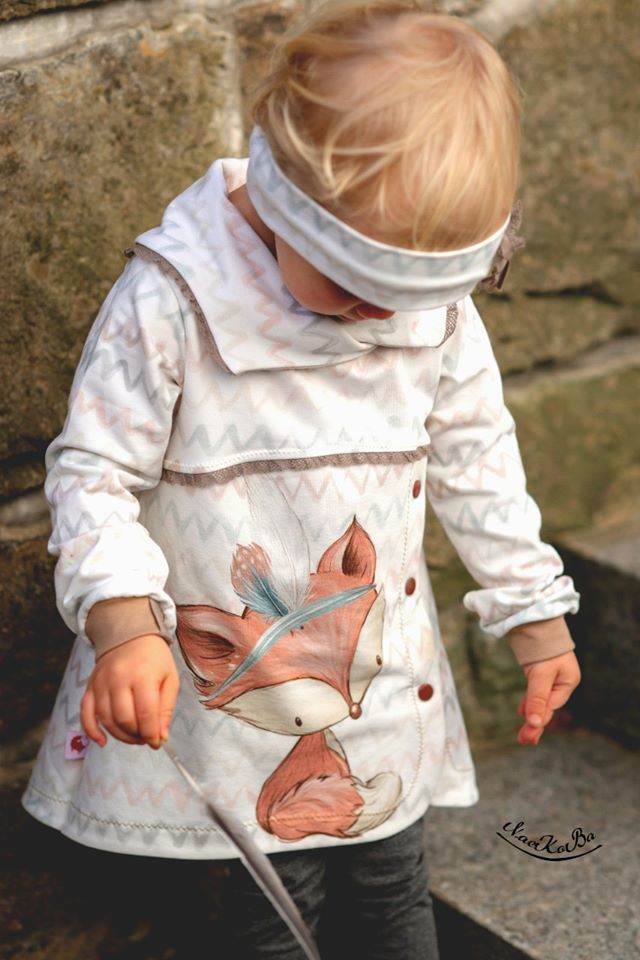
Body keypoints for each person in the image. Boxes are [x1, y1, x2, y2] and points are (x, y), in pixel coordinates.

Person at [21, 1, 582, 956]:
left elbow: (477, 456)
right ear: (284, 202)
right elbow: (95, 472)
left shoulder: (432, 311)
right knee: (268, 918)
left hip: (374, 680)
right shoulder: (176, 301)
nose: (377, 318)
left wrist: (533, 611)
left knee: (394, 888)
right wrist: (122, 623)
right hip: (226, 699)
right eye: (352, 287)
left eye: (405, 299)